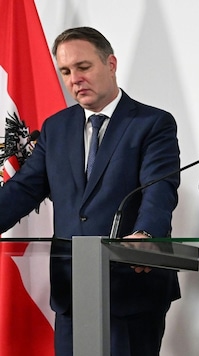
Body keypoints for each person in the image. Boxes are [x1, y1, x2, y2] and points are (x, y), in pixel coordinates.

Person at [0, 27, 181, 355]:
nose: (74, 79)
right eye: (66, 71)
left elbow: (160, 187)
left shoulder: (153, 123)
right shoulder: (56, 127)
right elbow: (24, 190)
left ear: (110, 63)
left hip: (132, 285)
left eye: (83, 67)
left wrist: (145, 234)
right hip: (73, 289)